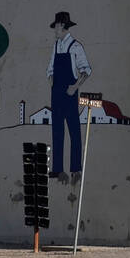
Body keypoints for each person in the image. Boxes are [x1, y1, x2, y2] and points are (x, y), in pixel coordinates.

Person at [47, 11, 91, 180]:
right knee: (57, 130)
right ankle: (57, 168)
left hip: (70, 93)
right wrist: (51, 80)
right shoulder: (56, 46)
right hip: (56, 93)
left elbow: (86, 70)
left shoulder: (75, 47)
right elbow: (50, 67)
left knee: (74, 131)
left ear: (63, 27)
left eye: (56, 27)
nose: (54, 31)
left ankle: (75, 169)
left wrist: (75, 87)